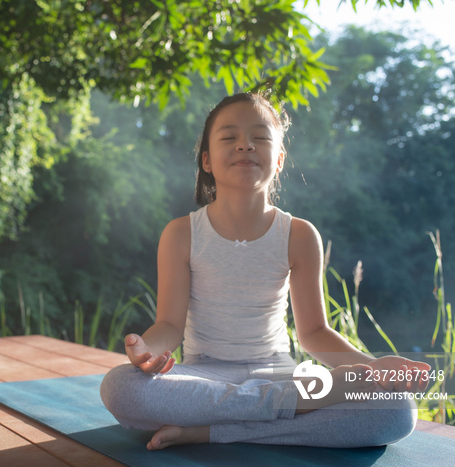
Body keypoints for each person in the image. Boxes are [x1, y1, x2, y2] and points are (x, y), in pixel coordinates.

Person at [100, 92, 431, 451]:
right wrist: (148, 351)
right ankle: (285, 407)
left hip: (278, 372)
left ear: (279, 159)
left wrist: (374, 367)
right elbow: (169, 326)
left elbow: (315, 333)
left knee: (397, 410)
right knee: (121, 388)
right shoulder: (181, 233)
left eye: (259, 137)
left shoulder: (299, 234)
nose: (245, 145)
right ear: (207, 160)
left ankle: (211, 430)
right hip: (206, 374)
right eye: (230, 137)